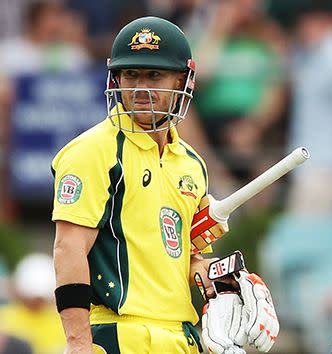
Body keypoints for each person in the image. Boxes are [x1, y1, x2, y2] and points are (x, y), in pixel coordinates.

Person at [51, 16, 278, 354]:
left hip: (182, 336)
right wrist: (78, 343)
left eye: (154, 75)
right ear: (116, 78)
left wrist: (222, 283)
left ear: (183, 80)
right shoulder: (92, 151)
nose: (141, 87)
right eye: (131, 74)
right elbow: (68, 249)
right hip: (119, 333)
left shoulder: (192, 163)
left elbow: (187, 257)